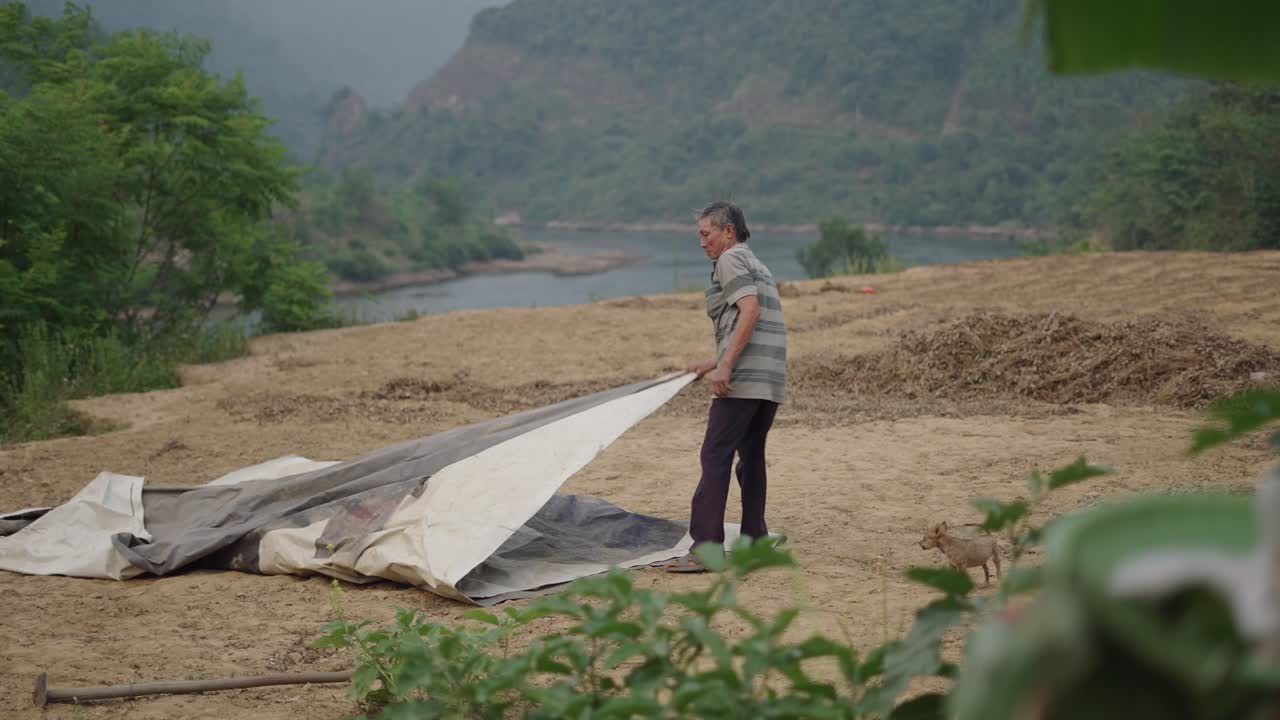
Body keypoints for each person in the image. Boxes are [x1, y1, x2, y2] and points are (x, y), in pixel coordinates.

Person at [664, 200, 787, 573]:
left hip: (745, 380)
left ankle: (706, 551)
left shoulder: (730, 259)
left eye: (706, 234)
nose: (702, 242)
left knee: (714, 456)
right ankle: (755, 541)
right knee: (750, 460)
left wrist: (728, 366)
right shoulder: (755, 262)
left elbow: (750, 311)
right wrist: (714, 361)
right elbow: (748, 322)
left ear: (728, 231)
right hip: (768, 380)